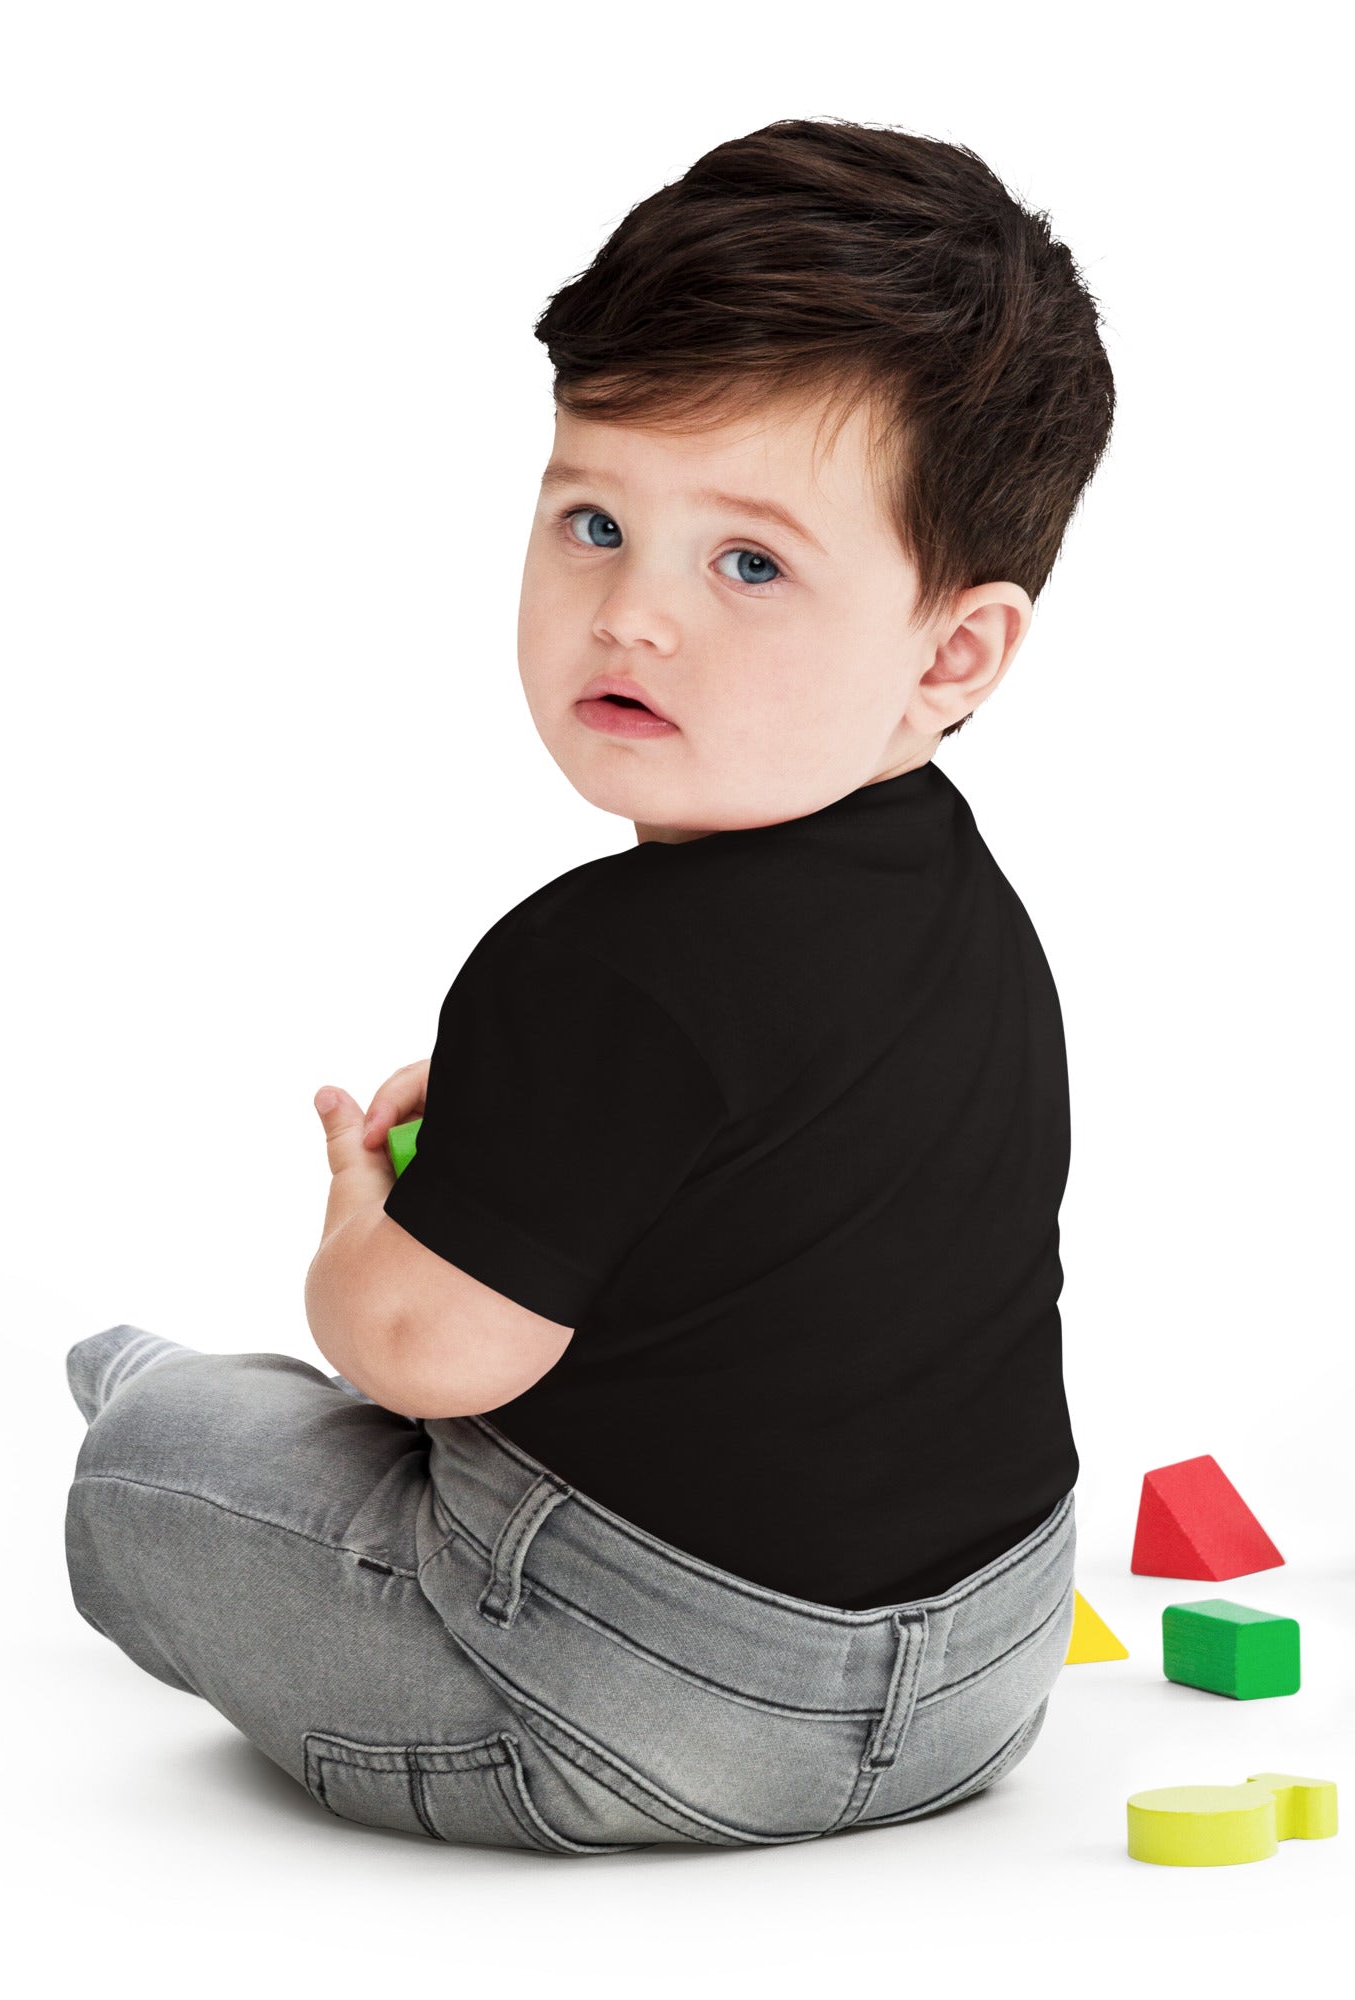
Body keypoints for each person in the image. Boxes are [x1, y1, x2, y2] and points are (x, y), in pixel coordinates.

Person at [66, 117, 1115, 1854]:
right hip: (991, 1671)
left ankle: (145, 1391)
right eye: (596, 520)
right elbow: (789, 1212)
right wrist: (524, 1145)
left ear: (952, 651)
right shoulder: (965, 900)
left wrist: (359, 1232)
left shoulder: (589, 966)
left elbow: (422, 1357)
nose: (631, 614)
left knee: (161, 1470)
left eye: (749, 564)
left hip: (641, 1698)